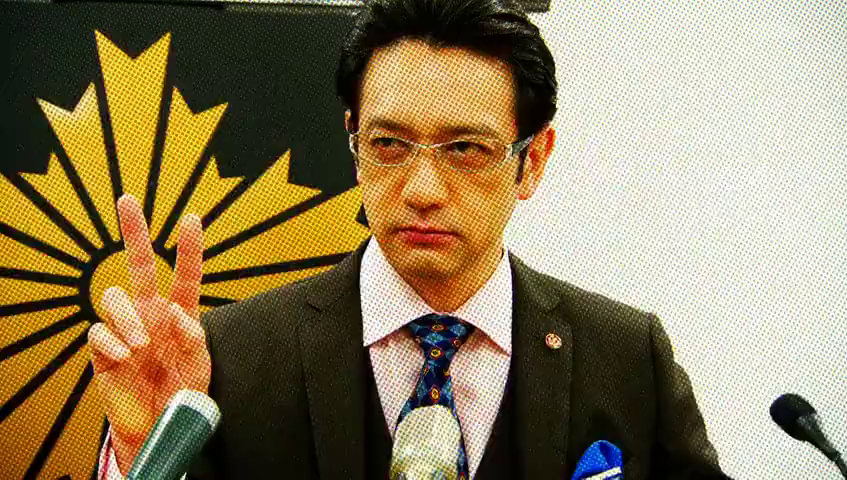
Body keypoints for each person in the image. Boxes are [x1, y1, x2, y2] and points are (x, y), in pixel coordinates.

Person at [88, 0, 732, 478]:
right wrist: (146, 450)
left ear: (532, 161)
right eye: (390, 144)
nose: (423, 188)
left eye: (466, 149)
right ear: (354, 144)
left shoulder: (627, 358)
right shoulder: (230, 359)